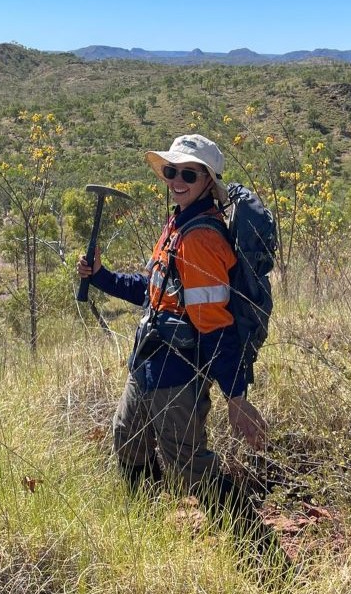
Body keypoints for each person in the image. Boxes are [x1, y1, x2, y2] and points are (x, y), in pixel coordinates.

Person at [77, 133, 268, 525]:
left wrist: (236, 398)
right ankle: (145, 529)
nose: (177, 180)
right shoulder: (178, 224)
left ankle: (255, 547)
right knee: (127, 436)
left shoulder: (199, 238)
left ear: (208, 183)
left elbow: (216, 327)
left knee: (188, 464)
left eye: (188, 174)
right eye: (170, 171)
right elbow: (153, 292)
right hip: (148, 362)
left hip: (178, 371)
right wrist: (101, 276)